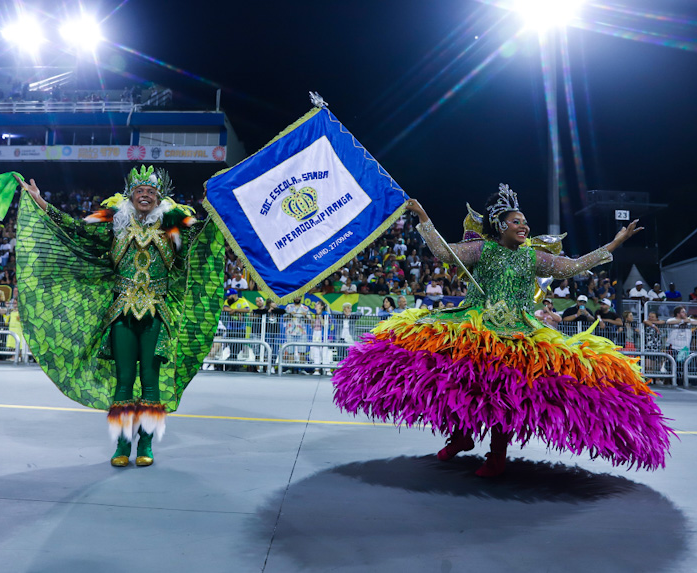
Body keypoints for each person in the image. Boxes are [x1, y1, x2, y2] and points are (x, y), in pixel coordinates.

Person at [333, 185, 672, 477]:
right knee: (466, 384)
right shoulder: (483, 250)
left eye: (525, 222)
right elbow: (441, 252)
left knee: (504, 396)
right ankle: (463, 437)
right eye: (517, 222)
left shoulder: (532, 257)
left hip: (521, 334)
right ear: (500, 224)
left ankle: (497, 456)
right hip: (476, 329)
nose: (524, 226)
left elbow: (573, 266)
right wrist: (423, 217)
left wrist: (615, 242)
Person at [6, 165, 224, 467]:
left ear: (159, 197)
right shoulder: (113, 222)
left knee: (150, 382)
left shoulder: (174, 223)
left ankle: (145, 444)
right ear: (130, 195)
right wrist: (40, 202)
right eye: (139, 191)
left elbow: (203, 233)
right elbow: (74, 228)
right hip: (121, 314)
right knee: (123, 382)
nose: (144, 195)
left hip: (156, 316)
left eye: (150, 191)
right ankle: (122, 445)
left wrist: (214, 207)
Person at [284, 296, 310, 370]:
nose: (297, 298)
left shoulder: (305, 308)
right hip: (290, 331)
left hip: (301, 332)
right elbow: (284, 319)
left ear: (301, 298)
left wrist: (305, 316)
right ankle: (290, 369)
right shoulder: (288, 307)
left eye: (298, 297)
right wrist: (290, 314)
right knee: (290, 351)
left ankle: (302, 369)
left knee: (302, 351)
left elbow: (308, 321)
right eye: (295, 297)